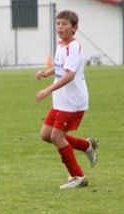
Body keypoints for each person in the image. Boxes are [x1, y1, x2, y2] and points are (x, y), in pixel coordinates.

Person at [35, 10, 98, 189]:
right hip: (61, 100)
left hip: (73, 101)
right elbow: (59, 67)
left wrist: (47, 90)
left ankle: (78, 176)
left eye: (64, 24)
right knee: (46, 135)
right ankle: (86, 145)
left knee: (57, 136)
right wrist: (46, 73)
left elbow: (70, 75)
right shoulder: (61, 45)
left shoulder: (74, 47)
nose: (60, 27)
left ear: (74, 28)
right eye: (58, 24)